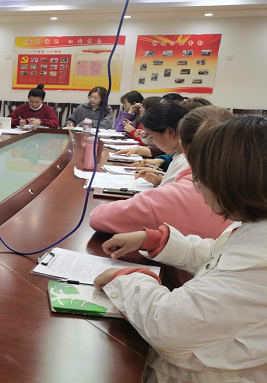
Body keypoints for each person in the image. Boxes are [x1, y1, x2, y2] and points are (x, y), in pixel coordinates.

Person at [94, 115, 267, 382]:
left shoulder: (258, 266)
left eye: (200, 180)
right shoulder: (255, 226)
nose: (198, 189)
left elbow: (166, 324)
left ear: (230, 184)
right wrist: (157, 241)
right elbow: (220, 256)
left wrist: (127, 280)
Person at [90, 106, 234, 239]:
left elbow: (98, 217)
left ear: (182, 142)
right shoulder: (240, 188)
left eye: (151, 137)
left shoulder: (182, 191)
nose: (151, 142)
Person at [133, 102, 190, 187]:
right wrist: (162, 179)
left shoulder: (184, 162)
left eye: (151, 137)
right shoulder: (181, 156)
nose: (151, 142)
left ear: (169, 132)